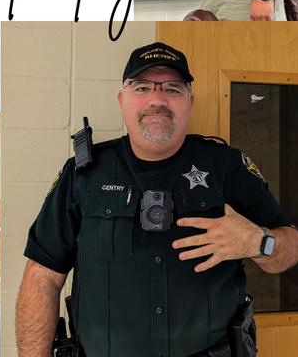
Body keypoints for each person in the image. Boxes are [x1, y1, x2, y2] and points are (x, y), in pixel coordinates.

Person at [16, 43, 298, 357]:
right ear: (122, 100)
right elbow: (43, 274)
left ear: (189, 101)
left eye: (173, 89)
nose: (158, 99)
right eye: (142, 87)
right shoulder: (83, 174)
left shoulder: (227, 167)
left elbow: (291, 247)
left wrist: (259, 242)